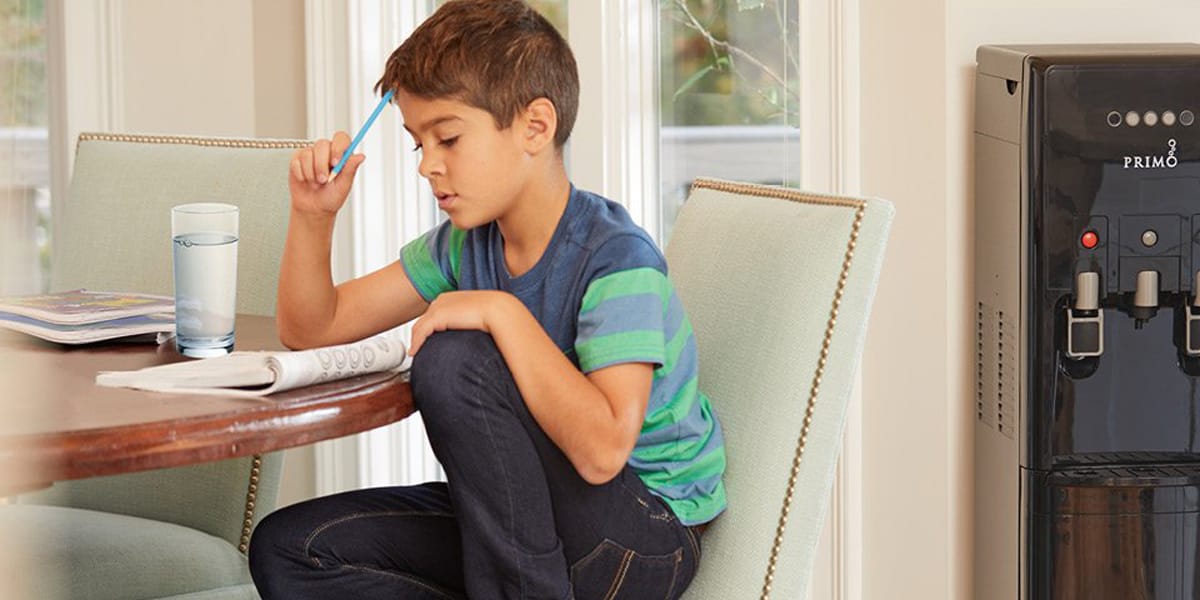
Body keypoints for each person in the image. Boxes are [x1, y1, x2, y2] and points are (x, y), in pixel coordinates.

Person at [247, 1, 725, 598]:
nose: (427, 166)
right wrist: (313, 216)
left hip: (639, 538)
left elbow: (604, 452)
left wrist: (499, 312)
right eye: (417, 143)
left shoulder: (615, 258)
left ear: (535, 127)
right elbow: (316, 327)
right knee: (291, 549)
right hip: (528, 523)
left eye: (446, 137)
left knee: (455, 358)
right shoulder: (463, 247)